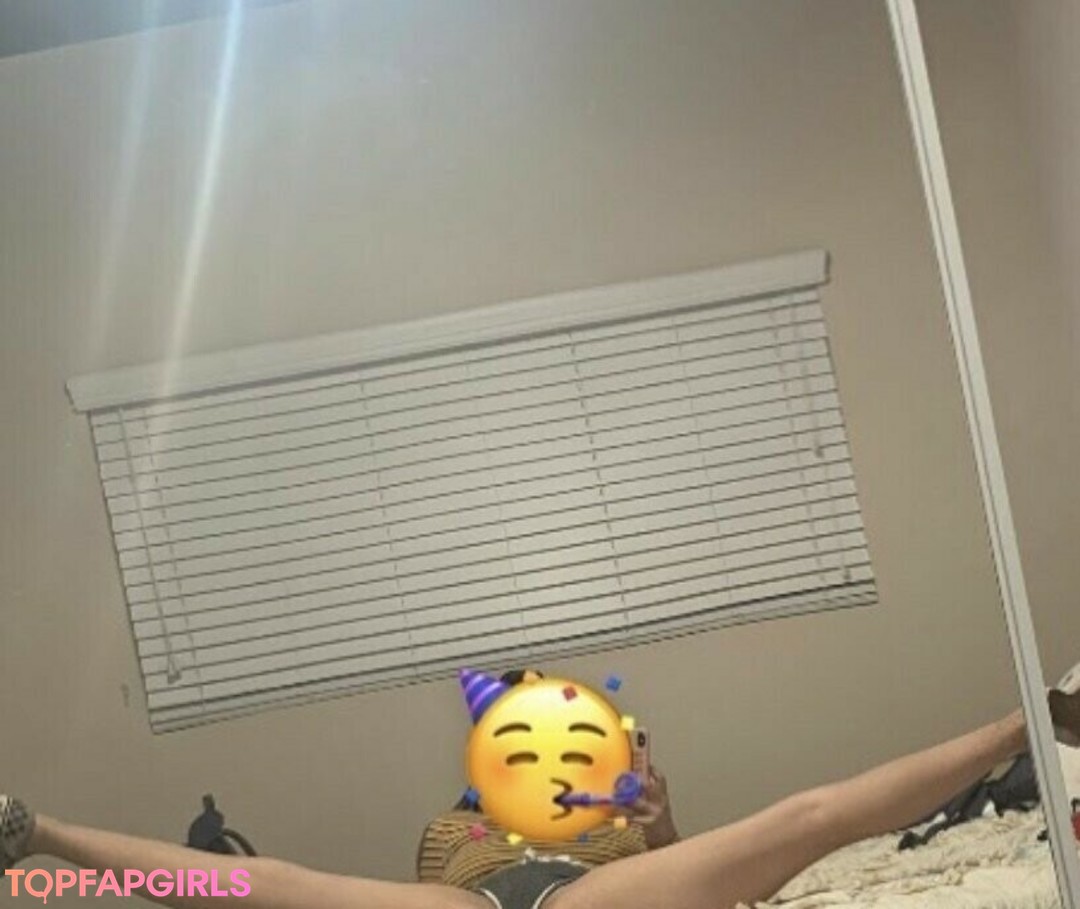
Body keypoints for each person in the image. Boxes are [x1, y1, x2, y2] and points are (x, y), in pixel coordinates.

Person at [4, 680, 1080, 909]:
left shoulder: (614, 815)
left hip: (581, 898)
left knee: (802, 823)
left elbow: (697, 874)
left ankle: (1024, 720)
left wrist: (657, 818)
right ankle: (37, 831)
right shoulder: (448, 830)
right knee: (268, 885)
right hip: (477, 903)